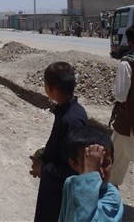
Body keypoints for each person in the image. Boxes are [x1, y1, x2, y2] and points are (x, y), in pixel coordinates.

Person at [29, 62, 88, 222]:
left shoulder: (72, 120)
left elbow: (74, 169)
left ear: (49, 87)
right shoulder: (68, 111)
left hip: (60, 200)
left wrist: (43, 168)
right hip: (54, 192)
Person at [58, 125, 123, 222]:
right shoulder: (71, 183)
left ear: (112, 161)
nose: (99, 172)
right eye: (90, 165)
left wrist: (90, 175)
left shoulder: (112, 199)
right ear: (73, 164)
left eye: (105, 164)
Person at [110, 24, 134, 187]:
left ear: (130, 42)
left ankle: (110, 187)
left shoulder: (127, 63)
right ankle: (111, 184)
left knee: (116, 153)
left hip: (129, 120)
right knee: (117, 152)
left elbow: (120, 95)